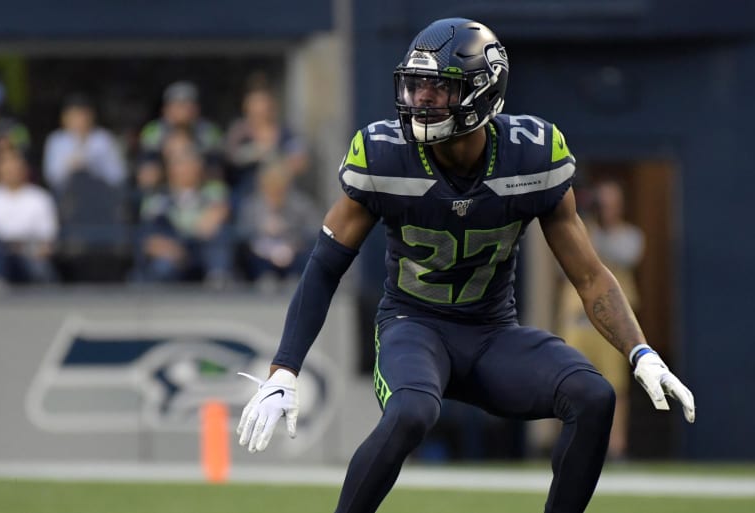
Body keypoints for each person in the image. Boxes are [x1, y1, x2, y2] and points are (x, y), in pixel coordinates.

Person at [236, 18, 695, 513]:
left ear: (484, 91)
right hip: (414, 327)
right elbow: (325, 265)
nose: (421, 99)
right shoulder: (384, 156)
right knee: (411, 412)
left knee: (594, 395)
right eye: (415, 85)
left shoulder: (532, 156)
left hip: (493, 334)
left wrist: (640, 351)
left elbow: (588, 274)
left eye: (438, 87)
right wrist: (285, 368)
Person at [556, 180, 644, 461]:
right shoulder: (580, 231)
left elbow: (622, 256)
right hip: (579, 321)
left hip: (613, 324)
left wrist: (595, 229)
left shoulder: (629, 235)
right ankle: (572, 444)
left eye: (610, 202)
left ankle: (615, 447)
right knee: (570, 384)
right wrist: (584, 223)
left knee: (615, 387)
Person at [134, 148, 232, 287]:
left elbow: (223, 208)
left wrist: (216, 215)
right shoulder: (157, 199)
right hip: (171, 250)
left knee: (221, 235)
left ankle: (219, 279)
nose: (187, 169)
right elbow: (148, 236)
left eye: (192, 164)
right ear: (171, 170)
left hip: (201, 245)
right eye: (181, 164)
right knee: (162, 267)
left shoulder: (212, 191)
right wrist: (170, 249)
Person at [235, 159, 322, 287]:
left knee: (307, 255)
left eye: (279, 183)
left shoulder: (301, 204)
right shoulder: (251, 205)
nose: (275, 188)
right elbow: (240, 232)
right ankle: (265, 278)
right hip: (261, 255)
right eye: (270, 183)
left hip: (294, 252)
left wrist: (291, 231)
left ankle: (295, 280)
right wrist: (260, 228)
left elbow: (315, 230)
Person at [0, 150, 57, 283]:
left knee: (41, 271)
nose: (11, 171)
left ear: (24, 169)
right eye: (6, 167)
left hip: (28, 253)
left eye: (15, 167)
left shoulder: (40, 197)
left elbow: (47, 235)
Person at [43, 93, 127, 193]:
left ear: (92, 116)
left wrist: (93, 166)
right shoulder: (56, 140)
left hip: (100, 194)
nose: (80, 120)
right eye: (74, 115)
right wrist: (69, 166)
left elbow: (119, 175)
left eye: (83, 114)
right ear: (64, 118)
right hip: (68, 198)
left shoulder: (104, 139)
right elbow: (51, 177)